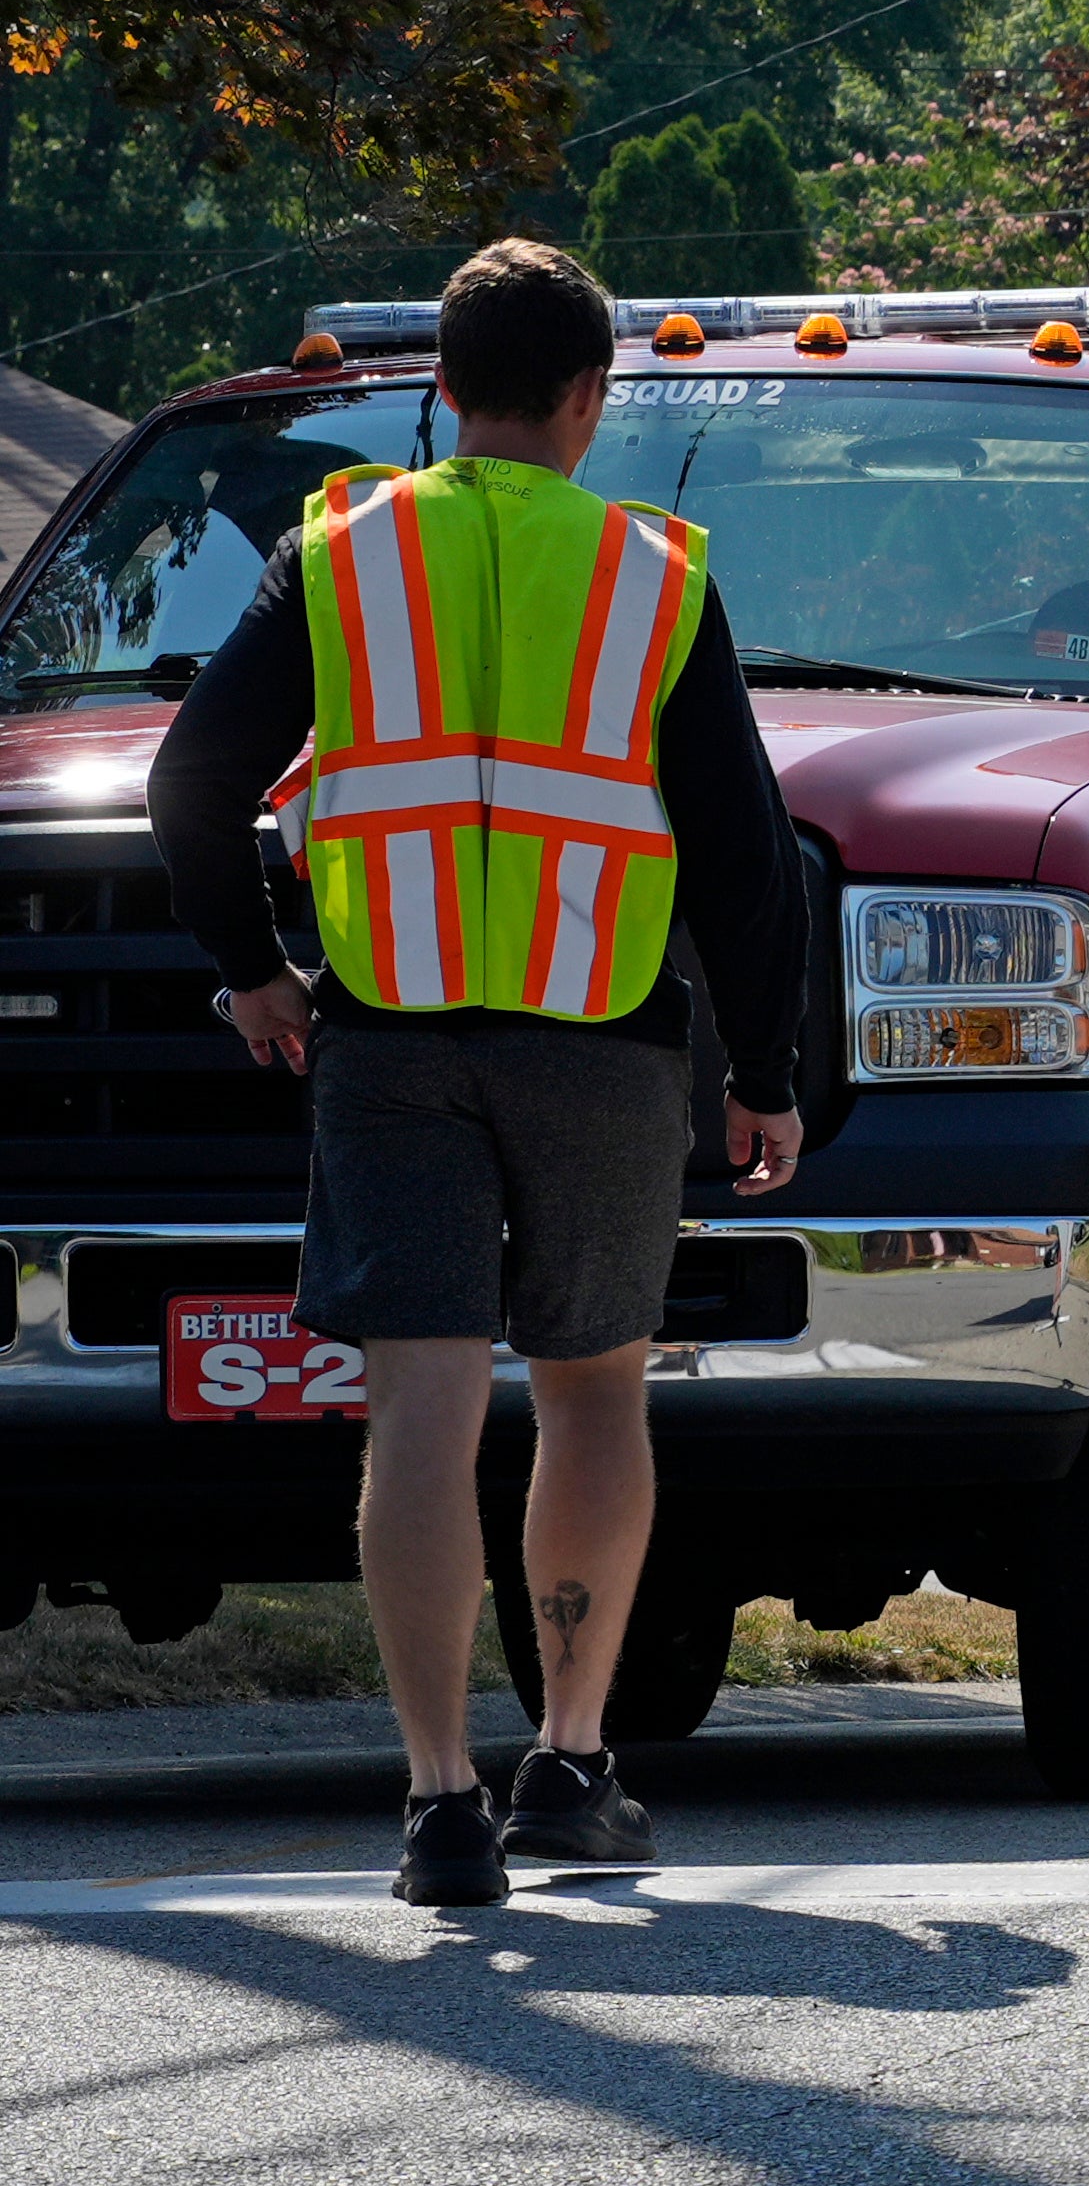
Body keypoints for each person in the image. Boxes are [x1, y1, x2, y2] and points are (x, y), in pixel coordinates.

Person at [147, 242, 806, 1909]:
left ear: (437, 387)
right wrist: (770, 1073)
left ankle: (441, 1800)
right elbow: (743, 858)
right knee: (593, 1393)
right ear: (592, 400)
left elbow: (192, 778)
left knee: (422, 1413)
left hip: (387, 1034)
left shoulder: (344, 556)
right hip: (602, 1044)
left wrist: (251, 974)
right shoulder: (655, 576)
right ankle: (571, 1766)